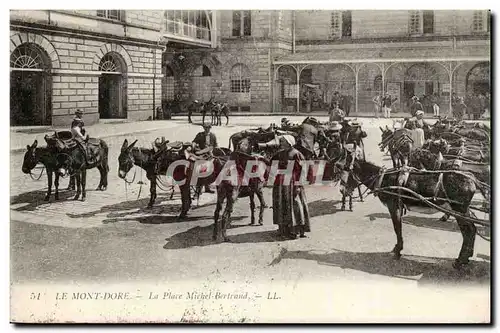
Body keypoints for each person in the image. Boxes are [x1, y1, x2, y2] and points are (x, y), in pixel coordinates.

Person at [192, 123, 218, 193]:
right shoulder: (200, 135)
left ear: (210, 128)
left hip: (210, 155)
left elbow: (216, 145)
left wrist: (214, 152)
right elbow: (194, 141)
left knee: (209, 171)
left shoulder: (213, 136)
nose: (206, 129)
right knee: (200, 171)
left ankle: (207, 187)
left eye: (208, 128)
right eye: (205, 128)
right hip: (201, 154)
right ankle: (198, 188)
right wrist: (193, 145)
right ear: (204, 128)